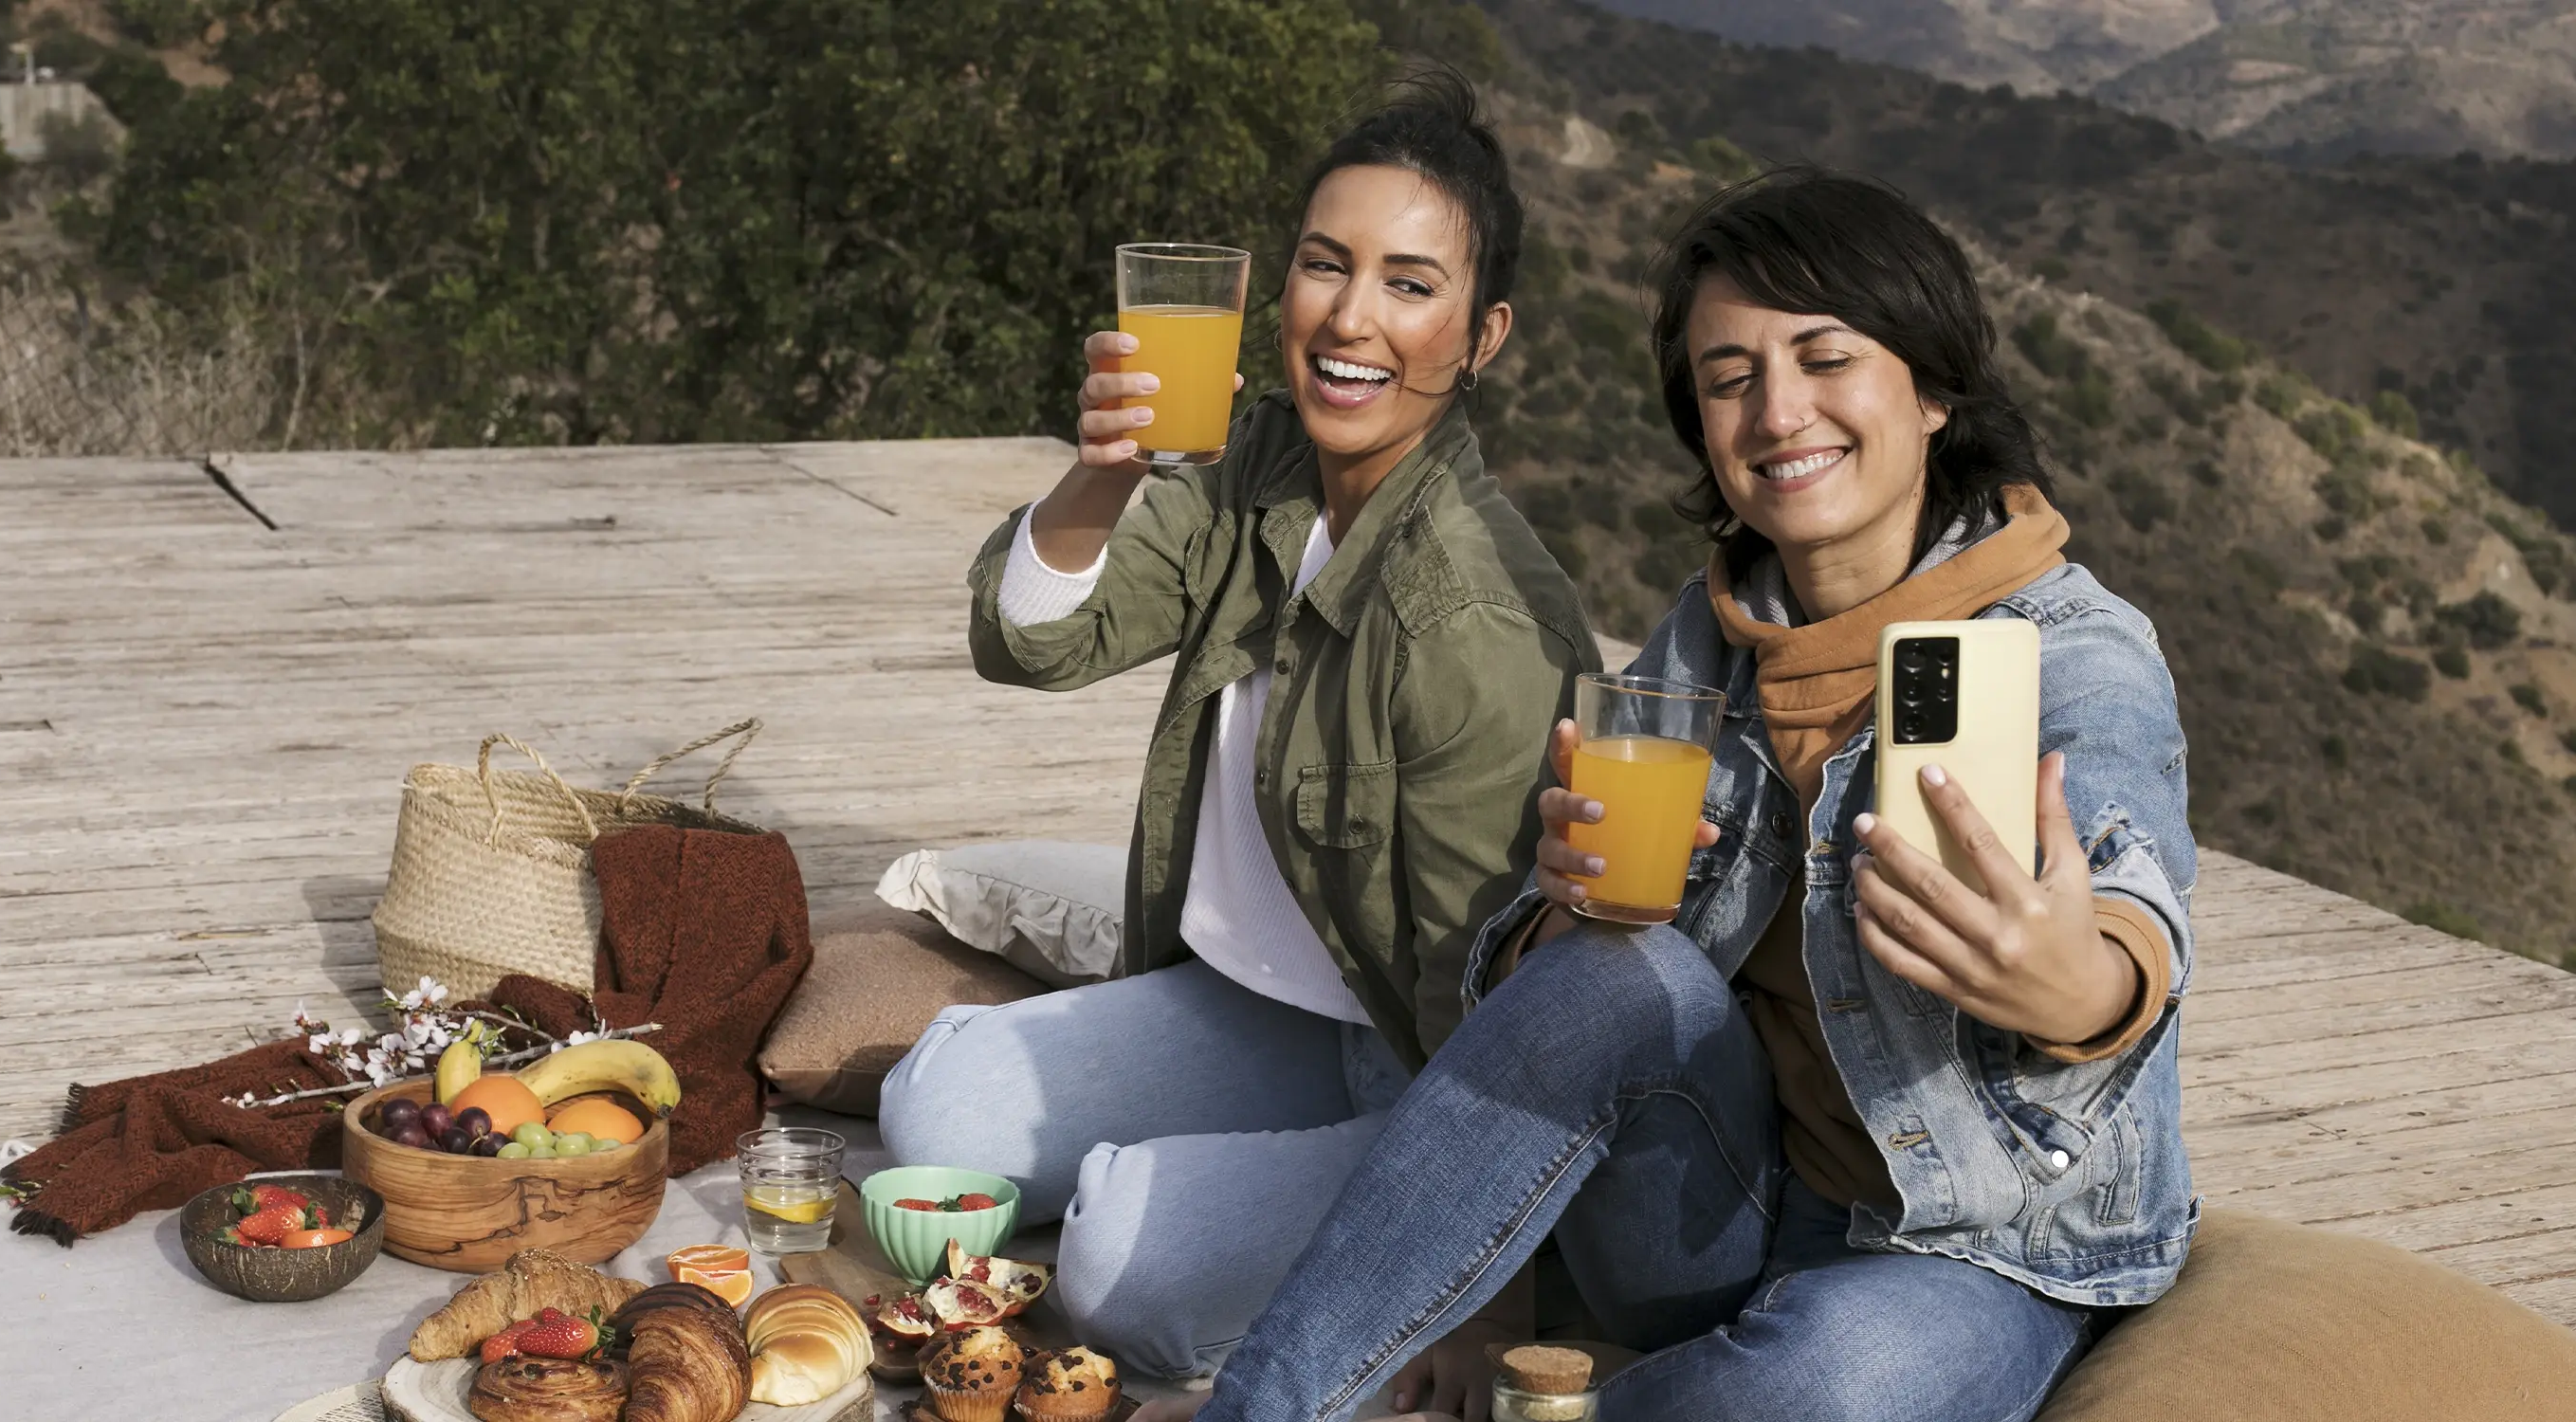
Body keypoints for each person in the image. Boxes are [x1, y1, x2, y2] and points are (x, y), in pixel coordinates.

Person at [1168, 169, 2201, 1422]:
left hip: (1971, 1253)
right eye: (1729, 379)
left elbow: (2128, 893)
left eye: (1824, 359)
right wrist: (1557, 915)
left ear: (1930, 390)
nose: (1777, 413)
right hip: (1717, 1218)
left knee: (1831, 1382)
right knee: (1613, 972)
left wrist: (2077, 986)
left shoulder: (2069, 651)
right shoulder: (1710, 644)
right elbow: (1562, 1002)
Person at [878, 72, 1599, 1378]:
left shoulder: (1470, 622)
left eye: (1407, 283)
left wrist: (1480, 1280)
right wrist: (1100, 470)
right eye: (1326, 266)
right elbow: (1030, 644)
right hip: (1251, 1008)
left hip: (1409, 1073)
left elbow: (1494, 999)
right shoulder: (1259, 467)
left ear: (1481, 336)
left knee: (1112, 1271)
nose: (1350, 316)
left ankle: (1237, 1214)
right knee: (933, 1110)